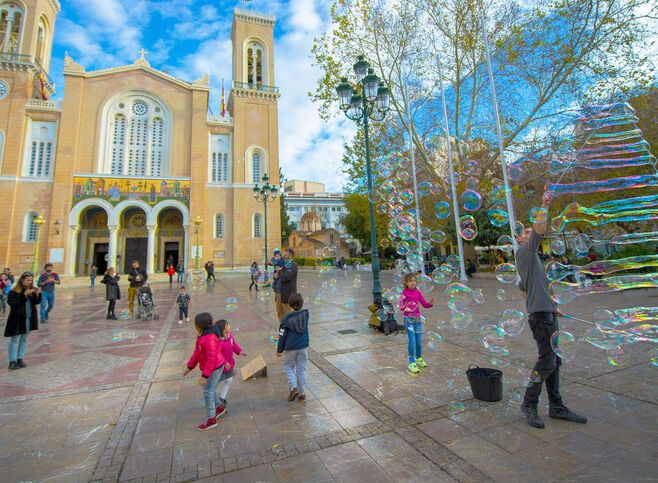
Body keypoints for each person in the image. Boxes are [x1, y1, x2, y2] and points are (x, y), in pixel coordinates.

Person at [517, 191, 587, 429]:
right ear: (519, 239)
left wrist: (550, 305)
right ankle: (529, 403)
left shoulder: (533, 260)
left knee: (555, 361)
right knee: (546, 360)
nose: (531, 233)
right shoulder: (524, 252)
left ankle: (557, 407)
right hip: (540, 318)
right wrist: (544, 204)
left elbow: (523, 288)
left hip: (546, 314)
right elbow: (538, 230)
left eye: (530, 231)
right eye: (525, 232)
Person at [183, 313, 228, 431]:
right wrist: (189, 366)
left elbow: (211, 359)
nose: (194, 326)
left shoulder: (209, 339)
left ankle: (211, 419)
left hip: (215, 367)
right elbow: (197, 352)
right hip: (212, 367)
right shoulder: (202, 335)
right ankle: (219, 408)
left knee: (208, 391)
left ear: (200, 326)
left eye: (195, 324)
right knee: (209, 389)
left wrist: (205, 376)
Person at [4, 272, 41, 370]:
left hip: (28, 318)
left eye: (31, 280)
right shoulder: (14, 292)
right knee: (15, 339)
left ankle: (20, 359)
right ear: (22, 280)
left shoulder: (30, 290)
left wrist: (37, 294)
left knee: (24, 339)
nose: (29, 282)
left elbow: (36, 302)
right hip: (17, 320)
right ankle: (12, 361)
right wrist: (24, 295)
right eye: (28, 280)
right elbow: (13, 304)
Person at [276, 293, 309, 402]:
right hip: (303, 346)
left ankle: (293, 387)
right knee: (301, 369)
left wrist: (279, 349)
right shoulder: (305, 316)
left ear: (289, 305)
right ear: (301, 304)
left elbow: (282, 335)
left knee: (288, 366)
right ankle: (302, 393)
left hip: (291, 347)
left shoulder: (286, 320)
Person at [399, 273, 435, 374]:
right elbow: (401, 307)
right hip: (408, 319)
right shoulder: (404, 293)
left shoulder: (417, 292)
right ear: (406, 283)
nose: (413, 282)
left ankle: (419, 358)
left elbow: (424, 304)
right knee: (412, 340)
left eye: (414, 280)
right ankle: (411, 362)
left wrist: (430, 304)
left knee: (419, 340)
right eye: (410, 281)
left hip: (417, 319)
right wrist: (406, 306)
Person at [214, 319, 247, 412]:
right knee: (214, 384)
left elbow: (234, 345)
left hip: (229, 364)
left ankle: (221, 398)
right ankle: (213, 398)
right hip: (220, 366)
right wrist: (224, 362)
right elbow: (217, 355)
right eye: (227, 325)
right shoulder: (218, 341)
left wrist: (239, 351)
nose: (229, 326)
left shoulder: (230, 335)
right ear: (223, 328)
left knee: (229, 380)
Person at [274, 248, 298, 323]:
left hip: (287, 294)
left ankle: (290, 332)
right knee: (280, 313)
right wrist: (277, 274)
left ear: (290, 256)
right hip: (279, 293)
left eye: (285, 255)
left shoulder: (293, 265)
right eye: (283, 255)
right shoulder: (285, 264)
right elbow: (277, 277)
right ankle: (282, 331)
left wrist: (280, 271)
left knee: (287, 314)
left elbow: (286, 277)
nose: (283, 256)